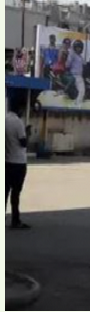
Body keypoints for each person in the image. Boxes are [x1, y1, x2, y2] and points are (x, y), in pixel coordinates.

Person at [6, 95, 31, 230]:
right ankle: (15, 220)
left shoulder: (4, 120)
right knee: (16, 193)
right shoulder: (18, 122)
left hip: (6, 161)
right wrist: (28, 133)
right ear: (19, 109)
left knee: (4, 191)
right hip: (18, 162)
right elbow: (23, 143)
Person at [67, 39, 85, 106]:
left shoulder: (80, 56)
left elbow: (84, 64)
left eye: (80, 47)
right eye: (77, 47)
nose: (79, 49)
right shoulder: (72, 55)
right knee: (82, 91)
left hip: (79, 76)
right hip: (75, 76)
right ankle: (77, 104)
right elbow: (67, 64)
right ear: (74, 47)